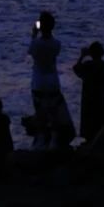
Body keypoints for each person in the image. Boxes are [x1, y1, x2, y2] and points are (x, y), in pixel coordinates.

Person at [28, 11, 65, 150]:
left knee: (40, 110)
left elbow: (30, 51)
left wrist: (33, 34)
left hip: (38, 80)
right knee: (53, 111)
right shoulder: (57, 44)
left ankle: (42, 139)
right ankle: (54, 139)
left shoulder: (36, 43)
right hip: (52, 79)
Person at [72, 42, 104, 144]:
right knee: (101, 116)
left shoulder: (88, 65)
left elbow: (76, 69)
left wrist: (82, 56)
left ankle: (89, 140)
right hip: (102, 95)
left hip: (89, 95)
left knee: (89, 118)